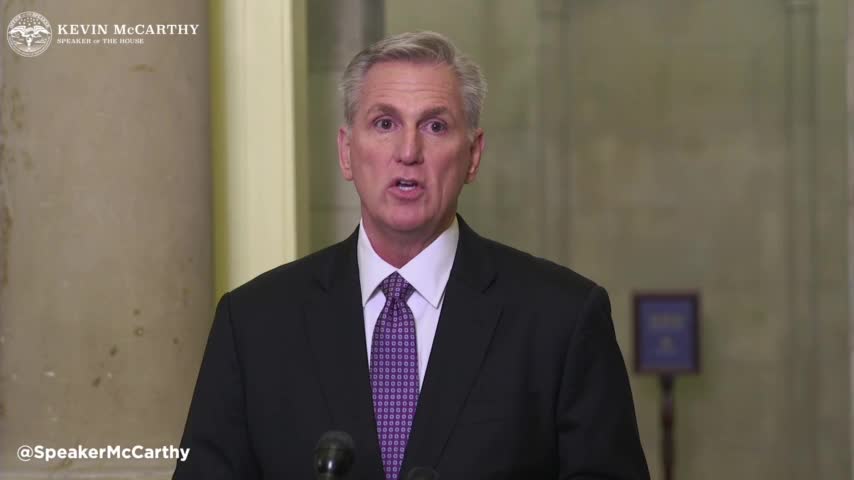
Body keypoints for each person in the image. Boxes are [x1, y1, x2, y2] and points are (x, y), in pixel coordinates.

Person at [174, 31, 649, 480]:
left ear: (473, 156)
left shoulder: (562, 318)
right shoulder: (254, 322)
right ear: (346, 152)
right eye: (385, 123)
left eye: (435, 126)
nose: (408, 151)